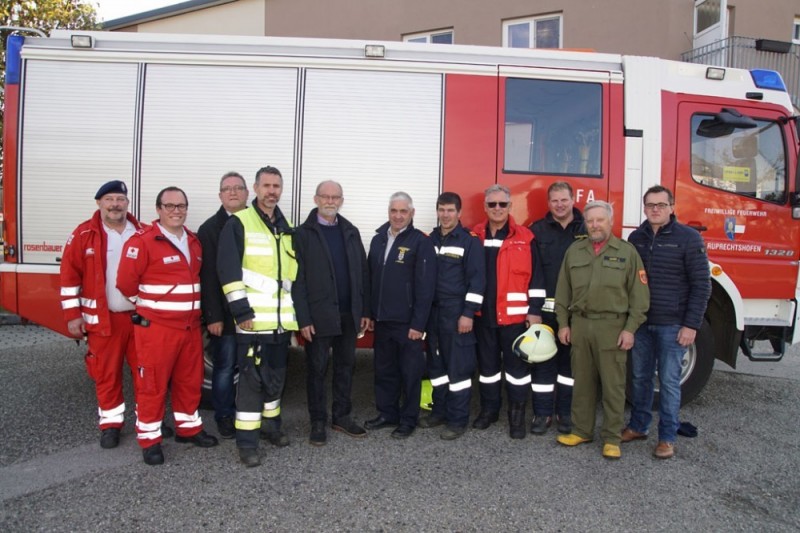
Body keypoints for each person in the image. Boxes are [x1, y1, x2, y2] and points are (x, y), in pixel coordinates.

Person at [117, 186, 219, 465]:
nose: (176, 211)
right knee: (152, 384)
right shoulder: (143, 241)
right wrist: (153, 307)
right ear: (159, 209)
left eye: (181, 206)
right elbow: (125, 284)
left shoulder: (193, 242)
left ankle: (188, 429)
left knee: (189, 381)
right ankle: (150, 440)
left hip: (189, 328)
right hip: (157, 329)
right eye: (170, 206)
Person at [554, 200, 649, 459]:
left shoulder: (627, 253)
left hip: (612, 327)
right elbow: (562, 292)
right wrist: (563, 324)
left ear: (611, 221)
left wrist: (630, 329)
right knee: (582, 383)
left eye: (600, 220)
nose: (595, 225)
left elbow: (640, 298)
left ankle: (611, 438)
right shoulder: (575, 251)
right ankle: (581, 430)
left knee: (613, 385)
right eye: (590, 220)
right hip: (580, 325)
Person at [217, 166, 298, 467]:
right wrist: (241, 312)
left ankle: (271, 427)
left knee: (275, 381)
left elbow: (292, 278)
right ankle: (247, 443)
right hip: (252, 323)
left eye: (276, 186)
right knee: (251, 384)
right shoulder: (239, 223)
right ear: (255, 188)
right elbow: (228, 271)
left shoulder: (286, 228)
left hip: (280, 324)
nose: (271, 191)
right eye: (266, 186)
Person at [624, 186, 711, 459]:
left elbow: (702, 285)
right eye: (650, 205)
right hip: (641, 323)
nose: (655, 209)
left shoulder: (689, 238)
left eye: (661, 205)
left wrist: (691, 325)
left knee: (670, 382)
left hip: (673, 325)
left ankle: (667, 438)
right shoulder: (636, 238)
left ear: (672, 207)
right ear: (644, 208)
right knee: (640, 378)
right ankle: (638, 426)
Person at [60, 180, 145, 449]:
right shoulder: (84, 234)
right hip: (104, 320)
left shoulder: (142, 232)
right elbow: (69, 277)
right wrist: (73, 315)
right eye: (109, 199)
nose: (115, 204)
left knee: (145, 373)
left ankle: (147, 420)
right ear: (99, 203)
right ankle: (110, 425)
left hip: (140, 320)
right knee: (107, 374)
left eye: (120, 199)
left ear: (127, 203)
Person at [293, 180, 370, 446]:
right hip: (318, 316)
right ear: (316, 199)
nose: (330, 201)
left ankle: (341, 416)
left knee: (346, 367)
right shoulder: (302, 234)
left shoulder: (351, 231)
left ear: (341, 201)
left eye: (335, 197)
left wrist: (364, 310)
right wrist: (303, 318)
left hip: (348, 314)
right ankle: (317, 421)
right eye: (325, 196)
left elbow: (362, 272)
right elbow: (297, 280)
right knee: (316, 370)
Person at [472, 184, 545, 439]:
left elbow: (537, 278)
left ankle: (516, 417)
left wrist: (534, 310)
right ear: (485, 207)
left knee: (517, 373)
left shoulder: (526, 237)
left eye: (502, 204)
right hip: (484, 317)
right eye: (492, 204)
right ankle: (489, 411)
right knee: (488, 370)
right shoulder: (474, 235)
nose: (497, 208)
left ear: (510, 206)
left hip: (515, 319)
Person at [364, 192, 436, 439]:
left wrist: (418, 324)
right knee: (384, 371)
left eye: (403, 211)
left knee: (410, 374)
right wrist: (369, 313)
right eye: (393, 211)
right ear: (388, 212)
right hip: (382, 320)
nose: (397, 216)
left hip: (408, 324)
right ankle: (387, 414)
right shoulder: (378, 239)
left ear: (411, 213)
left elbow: (426, 287)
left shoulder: (420, 242)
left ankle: (408, 419)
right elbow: (370, 279)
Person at [420, 192, 485, 440]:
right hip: (433, 313)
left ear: (459, 213)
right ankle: (439, 412)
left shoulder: (469, 241)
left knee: (458, 368)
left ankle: (457, 420)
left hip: (456, 312)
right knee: (436, 366)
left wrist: (468, 313)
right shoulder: (429, 239)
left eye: (450, 210)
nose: (445, 215)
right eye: (441, 210)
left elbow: (477, 281)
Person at [529, 182, 587, 435]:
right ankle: (542, 414)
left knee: (569, 368)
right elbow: (533, 274)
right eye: (555, 200)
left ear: (573, 200)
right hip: (545, 313)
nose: (560, 205)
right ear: (548, 203)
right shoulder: (537, 231)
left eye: (564, 200)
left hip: (576, 313)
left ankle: (566, 413)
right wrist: (533, 310)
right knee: (542, 364)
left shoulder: (587, 229)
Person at [197, 171, 249, 439]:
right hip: (226, 315)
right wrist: (213, 316)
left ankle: (250, 414)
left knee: (252, 369)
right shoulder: (209, 229)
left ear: (247, 193)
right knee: (225, 368)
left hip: (254, 313)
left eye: (238, 188)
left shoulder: (257, 223)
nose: (233, 192)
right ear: (220, 195)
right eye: (227, 189)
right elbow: (207, 276)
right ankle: (224, 416)